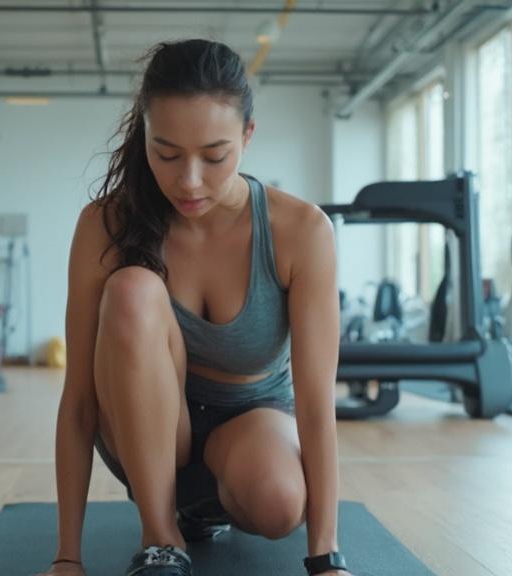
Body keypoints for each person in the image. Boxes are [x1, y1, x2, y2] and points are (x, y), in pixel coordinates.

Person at [39, 39, 350, 576]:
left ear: (248, 137)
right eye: (166, 153)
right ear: (145, 136)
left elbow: (317, 405)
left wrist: (326, 561)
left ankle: (203, 511)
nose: (188, 181)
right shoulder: (104, 224)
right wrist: (68, 556)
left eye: (214, 156)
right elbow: (80, 401)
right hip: (147, 434)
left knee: (279, 503)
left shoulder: (302, 231)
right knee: (134, 287)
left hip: (251, 426)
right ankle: (161, 538)